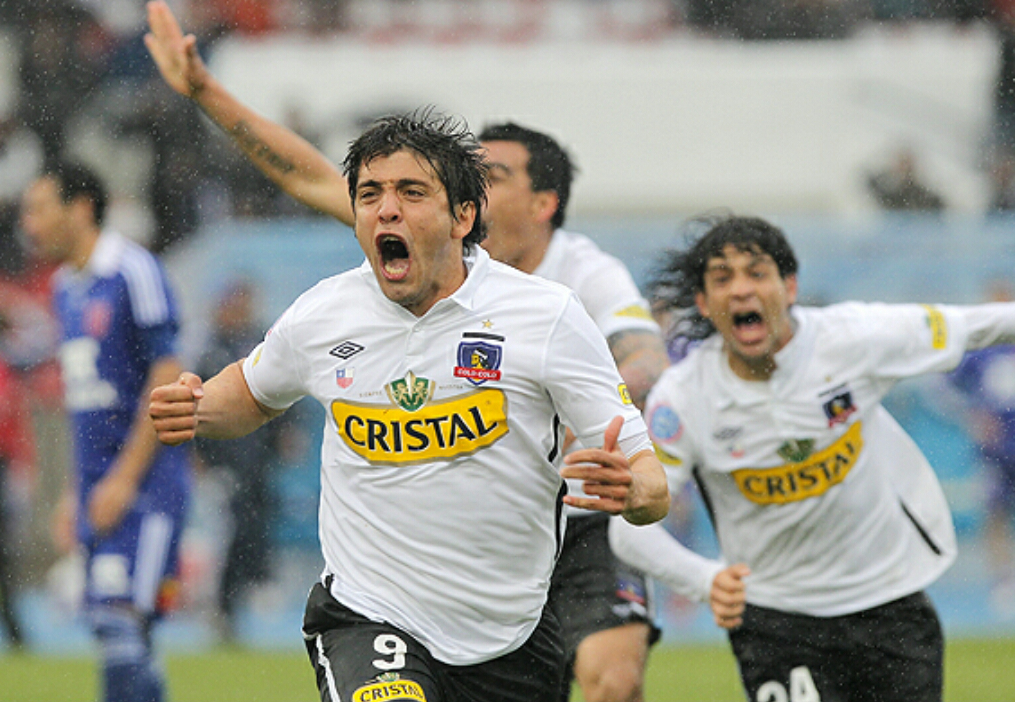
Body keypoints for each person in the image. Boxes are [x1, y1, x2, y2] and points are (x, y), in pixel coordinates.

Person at [144, 4, 670, 699]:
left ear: (464, 214)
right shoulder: (326, 311)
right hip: (370, 613)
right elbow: (247, 394)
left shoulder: (553, 305)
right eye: (369, 195)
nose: (385, 208)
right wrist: (197, 406)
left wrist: (634, 487)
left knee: (614, 681)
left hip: (511, 626)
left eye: (410, 192)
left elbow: (648, 466)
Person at [614, 214, 1015, 702]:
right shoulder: (682, 398)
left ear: (790, 286)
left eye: (757, 273)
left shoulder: (854, 338)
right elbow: (629, 528)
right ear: (702, 302)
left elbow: (980, 326)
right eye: (722, 279)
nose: (741, 290)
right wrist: (705, 578)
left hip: (890, 601)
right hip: (777, 619)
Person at [20, 162, 190, 702]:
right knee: (119, 634)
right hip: (99, 489)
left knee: (121, 629)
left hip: (146, 486)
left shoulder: (132, 270)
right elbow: (86, 405)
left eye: (40, 208)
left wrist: (121, 480)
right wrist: (79, 489)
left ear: (81, 208)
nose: (30, 224)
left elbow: (166, 375)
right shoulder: (66, 289)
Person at [193, 279, 281, 641]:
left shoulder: (261, 341)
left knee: (254, 530)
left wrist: (284, 436)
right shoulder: (212, 351)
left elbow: (283, 392)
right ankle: (223, 605)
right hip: (224, 463)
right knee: (230, 535)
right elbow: (195, 405)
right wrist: (198, 454)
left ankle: (239, 600)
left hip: (257, 462)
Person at [948, 279, 1015, 612]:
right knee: (995, 513)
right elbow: (944, 385)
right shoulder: (979, 351)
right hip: (997, 449)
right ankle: (1004, 580)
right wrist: (972, 415)